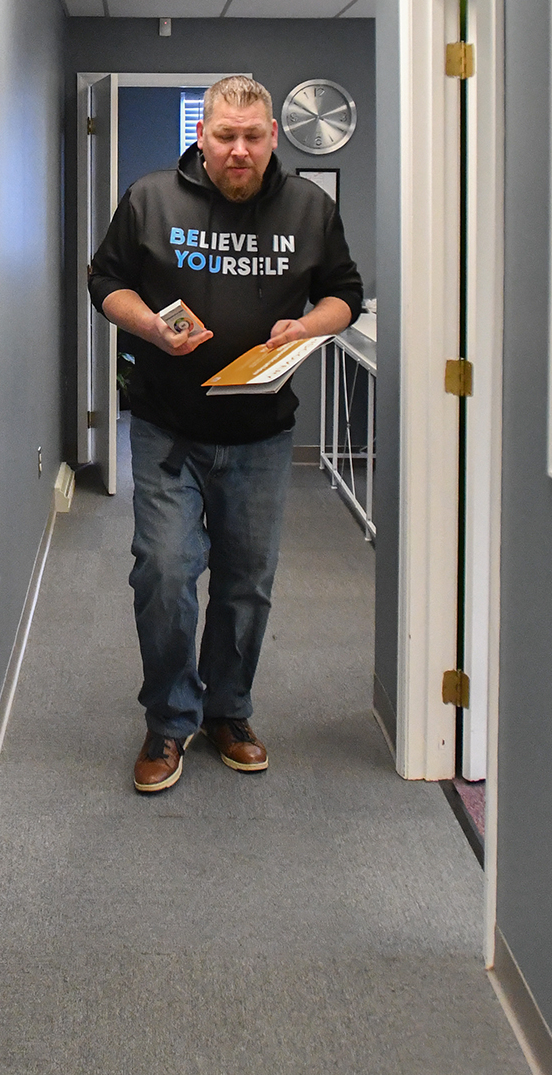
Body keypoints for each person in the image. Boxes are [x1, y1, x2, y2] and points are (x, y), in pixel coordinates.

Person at [87, 74, 363, 794]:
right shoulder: (152, 198)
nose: (238, 150)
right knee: (166, 570)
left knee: (246, 584)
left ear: (273, 136)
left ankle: (228, 711)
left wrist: (308, 325)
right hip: (167, 427)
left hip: (263, 434)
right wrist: (148, 324)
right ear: (201, 136)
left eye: (252, 135)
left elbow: (345, 293)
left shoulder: (310, 207)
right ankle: (169, 717)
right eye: (224, 135)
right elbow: (105, 281)